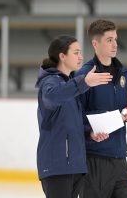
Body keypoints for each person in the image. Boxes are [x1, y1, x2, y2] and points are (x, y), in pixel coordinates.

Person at [35, 35, 113, 198]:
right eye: (76, 52)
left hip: (75, 166)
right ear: (62, 56)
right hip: (57, 166)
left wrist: (89, 133)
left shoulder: (69, 85)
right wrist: (84, 82)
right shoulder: (50, 82)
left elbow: (71, 124)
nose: (81, 57)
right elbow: (53, 97)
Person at [75, 19, 127, 198]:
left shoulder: (124, 74)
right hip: (94, 160)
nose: (115, 44)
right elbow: (74, 115)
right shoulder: (84, 76)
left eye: (115, 39)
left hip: (120, 158)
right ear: (95, 43)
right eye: (109, 40)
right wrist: (90, 130)